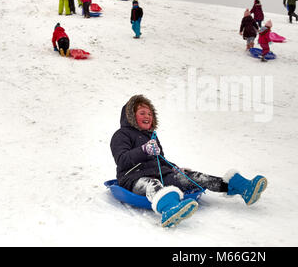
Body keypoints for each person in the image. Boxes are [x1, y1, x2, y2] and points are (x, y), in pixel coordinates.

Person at [110, 95, 268, 227]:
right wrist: (143, 150)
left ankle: (240, 187)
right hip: (133, 178)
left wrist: (174, 168)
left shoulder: (152, 136)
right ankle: (170, 209)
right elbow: (122, 160)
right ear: (130, 116)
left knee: (194, 177)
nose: (147, 117)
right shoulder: (121, 135)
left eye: (150, 114)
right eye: (142, 113)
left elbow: (160, 159)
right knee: (152, 185)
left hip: (161, 174)